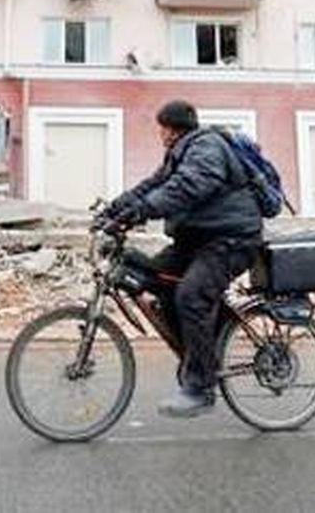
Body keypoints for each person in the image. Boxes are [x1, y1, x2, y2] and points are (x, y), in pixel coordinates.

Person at [101, 99, 263, 418]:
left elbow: (188, 187)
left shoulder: (207, 147)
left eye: (160, 128)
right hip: (198, 240)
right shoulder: (181, 153)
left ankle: (200, 387)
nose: (159, 134)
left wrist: (141, 211)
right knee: (154, 278)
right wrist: (115, 209)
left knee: (191, 295)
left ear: (170, 129)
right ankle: (200, 352)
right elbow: (154, 185)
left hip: (231, 239)